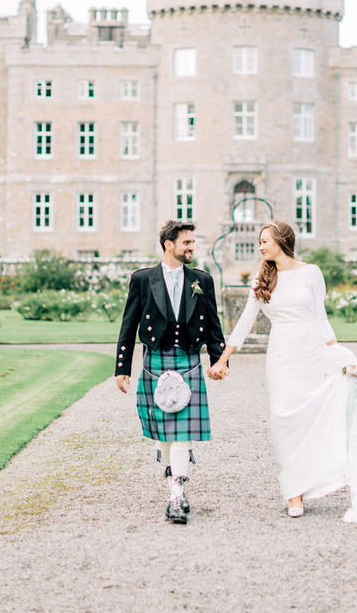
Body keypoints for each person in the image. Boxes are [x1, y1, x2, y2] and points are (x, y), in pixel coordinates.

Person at [208, 221, 357, 522]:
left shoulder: (311, 273)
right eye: (260, 241)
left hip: (311, 353)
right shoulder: (261, 279)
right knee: (283, 418)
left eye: (265, 241)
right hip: (281, 354)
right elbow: (245, 321)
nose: (261, 246)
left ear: (282, 241)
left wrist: (337, 352)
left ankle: (304, 483)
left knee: (311, 417)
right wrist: (222, 360)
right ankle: (293, 491)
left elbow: (320, 318)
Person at [115, 220, 227, 524]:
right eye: (187, 242)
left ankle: (177, 495)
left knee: (181, 431)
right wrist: (122, 367)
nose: (192, 247)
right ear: (169, 244)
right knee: (164, 434)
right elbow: (129, 324)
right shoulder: (143, 279)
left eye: (192, 242)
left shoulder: (202, 280)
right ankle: (172, 473)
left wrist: (219, 361)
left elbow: (213, 324)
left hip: (188, 360)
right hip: (156, 360)